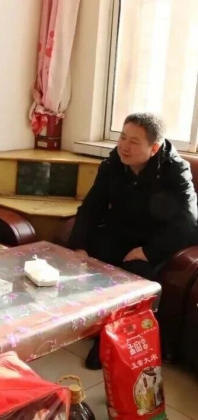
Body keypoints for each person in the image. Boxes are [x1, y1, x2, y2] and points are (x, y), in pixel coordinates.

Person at [68, 112, 198, 370]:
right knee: (86, 258)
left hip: (157, 239)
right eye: (122, 137)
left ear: (154, 148)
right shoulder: (112, 164)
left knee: (135, 273)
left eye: (134, 141)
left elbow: (188, 222)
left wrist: (148, 251)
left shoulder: (175, 170)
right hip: (121, 231)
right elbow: (92, 207)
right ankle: (86, 322)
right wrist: (79, 246)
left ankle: (108, 340)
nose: (124, 146)